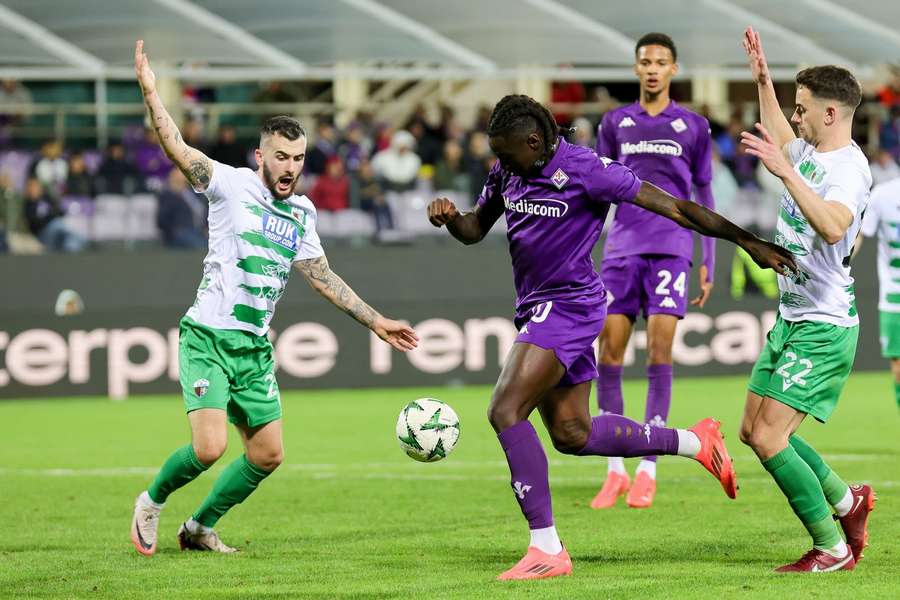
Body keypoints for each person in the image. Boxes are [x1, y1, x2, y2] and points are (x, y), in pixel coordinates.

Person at [427, 94, 795, 580]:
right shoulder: (507, 171)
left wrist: (747, 240)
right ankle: (695, 442)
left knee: (504, 409)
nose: (500, 161)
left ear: (535, 141)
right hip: (535, 307)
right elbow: (476, 228)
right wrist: (453, 218)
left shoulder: (586, 169)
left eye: (507, 151)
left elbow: (679, 210)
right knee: (572, 434)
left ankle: (547, 549)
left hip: (571, 304)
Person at [129, 40, 418, 556]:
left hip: (254, 349)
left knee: (266, 454)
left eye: (299, 159)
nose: (290, 167)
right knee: (211, 447)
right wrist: (154, 96)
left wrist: (376, 321)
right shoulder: (230, 186)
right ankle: (151, 501)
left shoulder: (302, 213)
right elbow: (178, 148)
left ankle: (198, 529)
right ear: (261, 155)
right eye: (281, 157)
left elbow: (322, 276)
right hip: (210, 337)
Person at [737, 27, 875, 573]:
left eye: (802, 110)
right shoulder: (813, 150)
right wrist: (764, 82)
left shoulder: (847, 169)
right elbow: (779, 139)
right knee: (753, 431)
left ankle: (833, 547)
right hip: (792, 316)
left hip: (824, 323)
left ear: (831, 114)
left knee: (772, 438)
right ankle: (848, 501)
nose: (795, 119)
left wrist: (788, 171)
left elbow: (836, 227)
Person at [591, 33, 717, 510]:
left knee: (660, 351)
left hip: (672, 249)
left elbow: (704, 196)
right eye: (645, 61)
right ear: (636, 67)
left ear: (673, 70)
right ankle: (614, 468)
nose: (652, 69)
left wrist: (709, 259)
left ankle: (648, 466)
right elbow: (597, 191)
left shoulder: (694, 126)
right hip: (621, 250)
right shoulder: (614, 122)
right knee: (610, 351)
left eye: (661, 62)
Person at [855, 178, 900, 411]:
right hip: (895, 299)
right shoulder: (884, 195)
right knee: (899, 369)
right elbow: (861, 234)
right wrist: (840, 262)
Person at [23, 176, 85, 252]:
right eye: (31, 186)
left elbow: (60, 212)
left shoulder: (46, 199)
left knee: (68, 240)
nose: (34, 189)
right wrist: (50, 216)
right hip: (43, 233)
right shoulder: (28, 204)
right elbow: (35, 222)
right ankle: (82, 240)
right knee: (58, 225)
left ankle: (71, 249)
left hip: (55, 229)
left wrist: (51, 215)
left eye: (36, 186)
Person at [156, 168, 207, 249]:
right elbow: (161, 220)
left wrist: (206, 227)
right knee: (202, 246)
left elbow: (203, 211)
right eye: (175, 175)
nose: (178, 177)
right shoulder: (167, 195)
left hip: (199, 231)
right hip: (180, 232)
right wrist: (175, 231)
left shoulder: (195, 192)